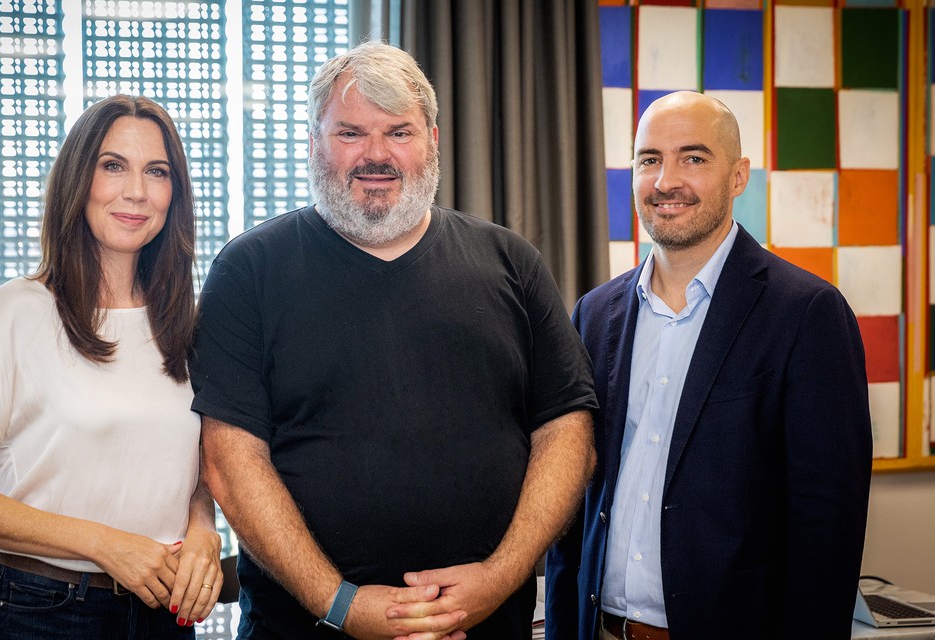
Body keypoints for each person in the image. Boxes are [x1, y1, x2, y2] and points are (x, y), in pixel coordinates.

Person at [190, 41, 598, 640]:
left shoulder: (512, 262)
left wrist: (499, 578)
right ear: (312, 144)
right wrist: (340, 604)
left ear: (433, 140)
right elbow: (230, 459)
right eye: (350, 132)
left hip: (489, 625)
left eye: (398, 132)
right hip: (304, 629)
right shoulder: (249, 270)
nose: (375, 155)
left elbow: (568, 432)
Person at [545, 91, 872, 639]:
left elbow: (827, 525)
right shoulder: (594, 314)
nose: (666, 180)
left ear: (738, 175)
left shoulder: (807, 313)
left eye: (693, 158)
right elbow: (574, 504)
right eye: (649, 159)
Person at [0, 94, 223, 639]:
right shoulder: (18, 311)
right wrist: (107, 545)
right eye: (113, 166)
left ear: (174, 193)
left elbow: (194, 468)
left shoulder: (185, 324)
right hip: (38, 611)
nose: (136, 191)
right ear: (78, 180)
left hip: (162, 612)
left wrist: (205, 529)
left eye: (157, 171)